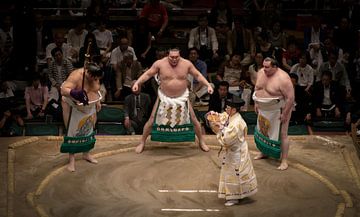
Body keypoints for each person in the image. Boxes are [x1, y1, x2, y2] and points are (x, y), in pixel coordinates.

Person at [132, 47, 214, 153]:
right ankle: (142, 142)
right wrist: (137, 83)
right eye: (172, 57)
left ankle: (201, 141)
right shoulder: (159, 64)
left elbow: (198, 75)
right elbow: (148, 74)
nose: (174, 59)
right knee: (152, 119)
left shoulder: (187, 64)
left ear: (180, 55)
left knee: (194, 119)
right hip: (164, 96)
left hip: (182, 97)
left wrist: (208, 85)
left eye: (177, 57)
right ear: (167, 55)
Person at [206, 98, 257, 206]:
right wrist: (214, 114)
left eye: (228, 108)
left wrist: (221, 130)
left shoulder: (237, 123)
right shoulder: (231, 116)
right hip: (233, 152)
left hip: (236, 152)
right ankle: (237, 194)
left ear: (234, 109)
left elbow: (227, 140)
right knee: (232, 173)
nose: (226, 109)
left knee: (233, 174)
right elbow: (222, 117)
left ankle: (234, 197)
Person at [60, 62, 104, 172]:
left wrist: (97, 101)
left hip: (89, 105)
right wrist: (74, 93)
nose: (95, 79)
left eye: (96, 78)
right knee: (73, 132)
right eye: (93, 77)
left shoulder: (95, 76)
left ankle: (86, 154)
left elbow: (96, 89)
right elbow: (63, 90)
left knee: (89, 129)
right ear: (87, 72)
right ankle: (71, 160)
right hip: (73, 105)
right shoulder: (77, 75)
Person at [252, 57, 294, 170]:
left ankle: (284, 160)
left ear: (275, 67)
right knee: (264, 131)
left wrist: (285, 113)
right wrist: (256, 103)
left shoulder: (283, 78)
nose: (264, 69)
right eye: (263, 66)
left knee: (283, 134)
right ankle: (264, 152)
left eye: (267, 67)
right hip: (263, 108)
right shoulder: (261, 72)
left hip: (279, 109)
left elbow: (290, 98)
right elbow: (257, 88)